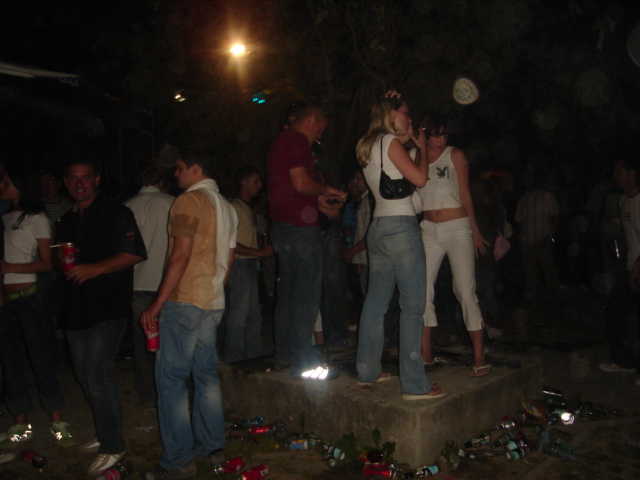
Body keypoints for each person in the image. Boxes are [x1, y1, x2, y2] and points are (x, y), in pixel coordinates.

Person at [140, 146, 237, 479]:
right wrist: (214, 290)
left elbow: (180, 254)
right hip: (212, 301)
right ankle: (211, 445)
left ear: (196, 169)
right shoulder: (227, 207)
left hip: (184, 302)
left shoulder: (189, 200)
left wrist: (157, 303)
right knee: (206, 376)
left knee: (171, 381)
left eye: (180, 168)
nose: (175, 173)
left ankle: (178, 459)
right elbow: (229, 259)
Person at [56, 158, 147, 476]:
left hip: (107, 307)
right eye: (73, 178)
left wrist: (96, 268)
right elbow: (61, 260)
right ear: (65, 182)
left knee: (97, 374)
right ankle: (105, 431)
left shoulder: (116, 212)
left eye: (85, 177)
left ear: (96, 179)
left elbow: (134, 253)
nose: (79, 183)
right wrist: (61, 261)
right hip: (75, 308)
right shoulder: (67, 220)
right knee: (84, 375)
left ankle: (113, 445)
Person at [355, 93, 444, 400]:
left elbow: (397, 152)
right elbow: (419, 178)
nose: (410, 119)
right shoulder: (391, 142)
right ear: (392, 115)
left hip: (378, 228)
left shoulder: (367, 144)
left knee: (375, 303)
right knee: (413, 306)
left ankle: (367, 369)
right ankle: (415, 385)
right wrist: (422, 150)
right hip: (401, 228)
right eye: (405, 113)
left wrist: (412, 139)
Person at [267, 104, 345, 380]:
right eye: (320, 128)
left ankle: (284, 355)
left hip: (282, 227)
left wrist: (318, 201)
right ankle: (303, 361)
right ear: (311, 120)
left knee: (288, 294)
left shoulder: (281, 141)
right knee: (306, 296)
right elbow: (300, 183)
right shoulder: (297, 140)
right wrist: (326, 188)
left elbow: (291, 188)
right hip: (300, 230)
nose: (319, 135)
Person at [0, 163, 74, 449]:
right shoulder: (4, 218)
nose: (2, 186)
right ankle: (21, 424)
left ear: (21, 186)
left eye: (7, 182)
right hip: (5, 301)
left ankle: (57, 421)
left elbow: (45, 263)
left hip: (30, 297)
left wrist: (10, 267)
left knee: (41, 360)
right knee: (10, 363)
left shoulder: (37, 218)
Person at [417, 113, 490, 377]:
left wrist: (475, 230)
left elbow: (465, 193)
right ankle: (425, 354)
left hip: (457, 228)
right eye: (436, 135)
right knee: (422, 290)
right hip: (428, 229)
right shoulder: (416, 156)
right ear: (426, 134)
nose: (441, 140)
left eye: (444, 135)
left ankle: (479, 356)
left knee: (465, 291)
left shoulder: (455, 155)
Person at [123, 163, 175, 405]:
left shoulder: (126, 206)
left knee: (143, 342)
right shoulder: (172, 203)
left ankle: (148, 394)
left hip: (135, 283)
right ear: (162, 182)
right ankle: (170, 392)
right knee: (170, 342)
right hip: (164, 284)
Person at [225, 166, 273, 363]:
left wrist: (256, 244)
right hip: (240, 267)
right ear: (244, 183)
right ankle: (235, 362)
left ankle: (252, 360)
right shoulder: (235, 207)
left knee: (254, 317)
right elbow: (229, 243)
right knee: (239, 319)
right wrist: (260, 252)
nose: (260, 186)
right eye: (256, 181)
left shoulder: (246, 208)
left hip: (251, 266)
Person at [599, 159, 640, 383]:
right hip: (631, 267)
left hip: (637, 268)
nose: (614, 176)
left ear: (632, 174)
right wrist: (625, 241)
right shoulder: (623, 201)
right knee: (614, 311)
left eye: (619, 172)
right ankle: (624, 361)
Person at [515, 168, 564, 305]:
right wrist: (520, 238)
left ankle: (557, 299)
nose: (528, 181)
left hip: (542, 239)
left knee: (549, 271)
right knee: (529, 274)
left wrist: (550, 236)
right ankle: (532, 302)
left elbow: (556, 216)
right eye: (526, 178)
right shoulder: (522, 200)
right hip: (526, 241)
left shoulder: (546, 196)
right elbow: (519, 221)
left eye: (530, 178)